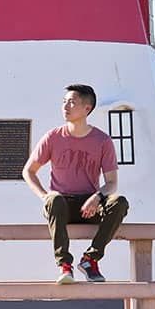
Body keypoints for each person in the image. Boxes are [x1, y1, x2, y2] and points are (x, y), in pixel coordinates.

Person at [22, 84, 130, 283]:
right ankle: (64, 265)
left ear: (87, 108)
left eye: (72, 102)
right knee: (55, 200)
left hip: (89, 206)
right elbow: (28, 171)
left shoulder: (102, 141)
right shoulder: (53, 137)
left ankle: (90, 259)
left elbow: (112, 182)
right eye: (64, 102)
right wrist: (45, 196)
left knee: (119, 201)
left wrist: (97, 198)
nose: (66, 106)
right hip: (60, 205)